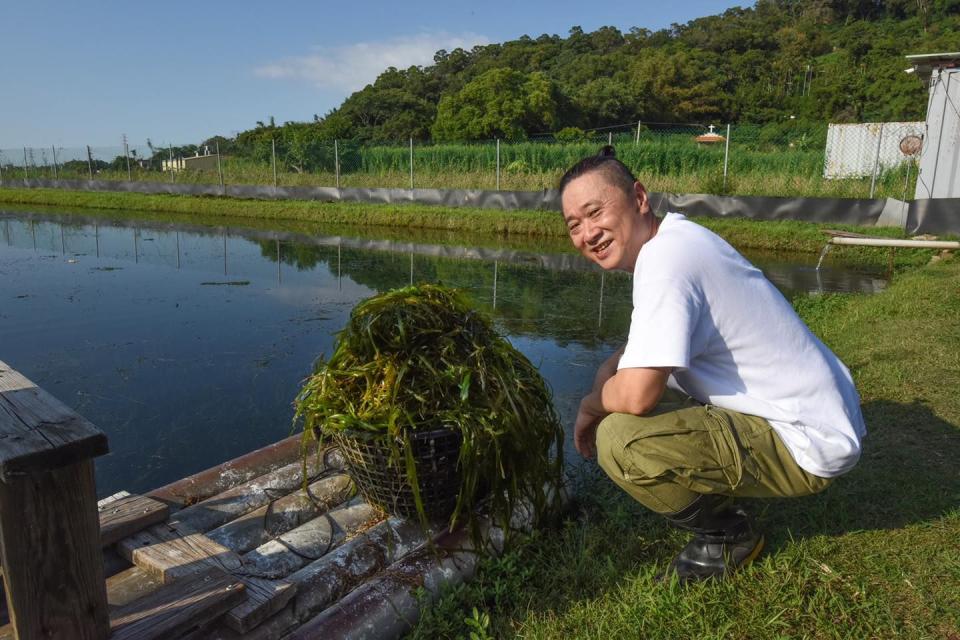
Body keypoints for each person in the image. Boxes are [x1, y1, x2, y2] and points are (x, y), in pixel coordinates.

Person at [560, 148, 866, 582]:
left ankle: (727, 535)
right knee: (634, 383)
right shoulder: (676, 240)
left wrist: (590, 407)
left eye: (595, 213)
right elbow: (637, 351)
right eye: (574, 225)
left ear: (639, 198)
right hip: (820, 415)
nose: (588, 233)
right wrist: (606, 373)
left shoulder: (665, 264)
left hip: (808, 442)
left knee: (620, 439)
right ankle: (730, 490)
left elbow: (636, 395)